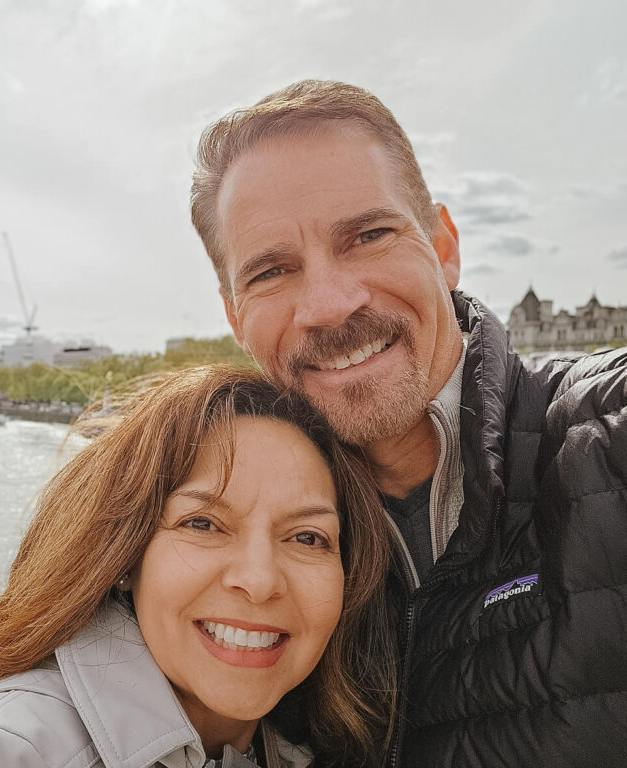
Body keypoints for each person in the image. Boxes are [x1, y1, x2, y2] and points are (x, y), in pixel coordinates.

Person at [190, 80, 627, 766]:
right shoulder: (196, 527)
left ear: (445, 247)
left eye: (368, 235)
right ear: (235, 317)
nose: (330, 305)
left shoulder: (609, 441)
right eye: (272, 271)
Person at [0, 366, 395, 768]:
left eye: (307, 538)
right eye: (203, 524)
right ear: (124, 554)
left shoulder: (298, 751)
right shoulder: (17, 751)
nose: (260, 579)